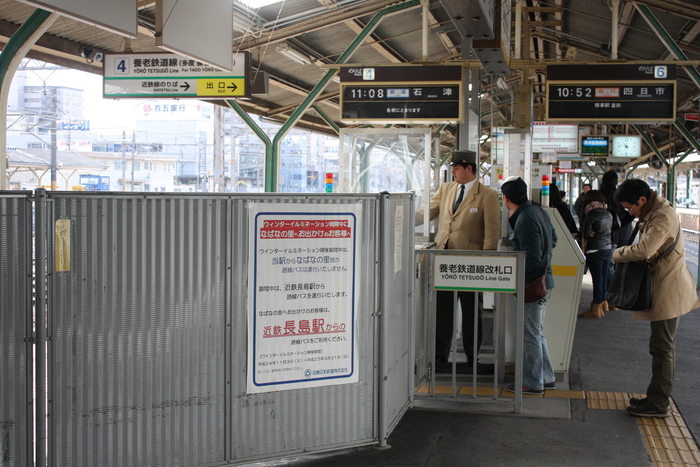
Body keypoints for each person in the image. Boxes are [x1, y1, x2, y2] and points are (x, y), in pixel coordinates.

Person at [613, 179, 700, 418]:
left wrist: (617, 253)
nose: (631, 213)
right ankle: (654, 398)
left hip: (669, 289)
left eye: (631, 208)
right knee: (659, 346)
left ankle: (659, 404)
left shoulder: (662, 216)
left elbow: (644, 250)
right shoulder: (655, 211)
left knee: (663, 347)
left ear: (642, 200)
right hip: (662, 286)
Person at [415, 150, 501, 367]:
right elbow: (427, 212)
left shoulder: (487, 195)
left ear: (468, 168)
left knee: (472, 310)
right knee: (443, 310)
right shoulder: (446, 189)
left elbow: (492, 231)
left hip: (471, 263)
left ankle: (473, 355)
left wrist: (487, 262)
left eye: (455, 167)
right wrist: (399, 216)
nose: (452, 171)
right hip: (444, 260)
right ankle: (440, 354)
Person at [500, 177, 557, 395]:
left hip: (533, 286)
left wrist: (521, 283)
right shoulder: (538, 211)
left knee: (530, 334)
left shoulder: (524, 219)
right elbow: (553, 238)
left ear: (505, 199)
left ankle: (532, 383)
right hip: (545, 281)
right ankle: (547, 376)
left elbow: (530, 258)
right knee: (537, 332)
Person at [600, 171, 634, 312]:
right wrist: (621, 224)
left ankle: (604, 300)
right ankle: (614, 299)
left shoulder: (600, 194)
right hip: (623, 235)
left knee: (606, 267)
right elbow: (630, 215)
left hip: (605, 236)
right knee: (617, 267)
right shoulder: (621, 195)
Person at [579, 190, 613, 319]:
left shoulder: (591, 214)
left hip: (595, 249)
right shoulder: (608, 213)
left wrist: (591, 233)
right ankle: (603, 304)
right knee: (604, 278)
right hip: (607, 247)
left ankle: (596, 309)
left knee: (597, 280)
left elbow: (586, 234)